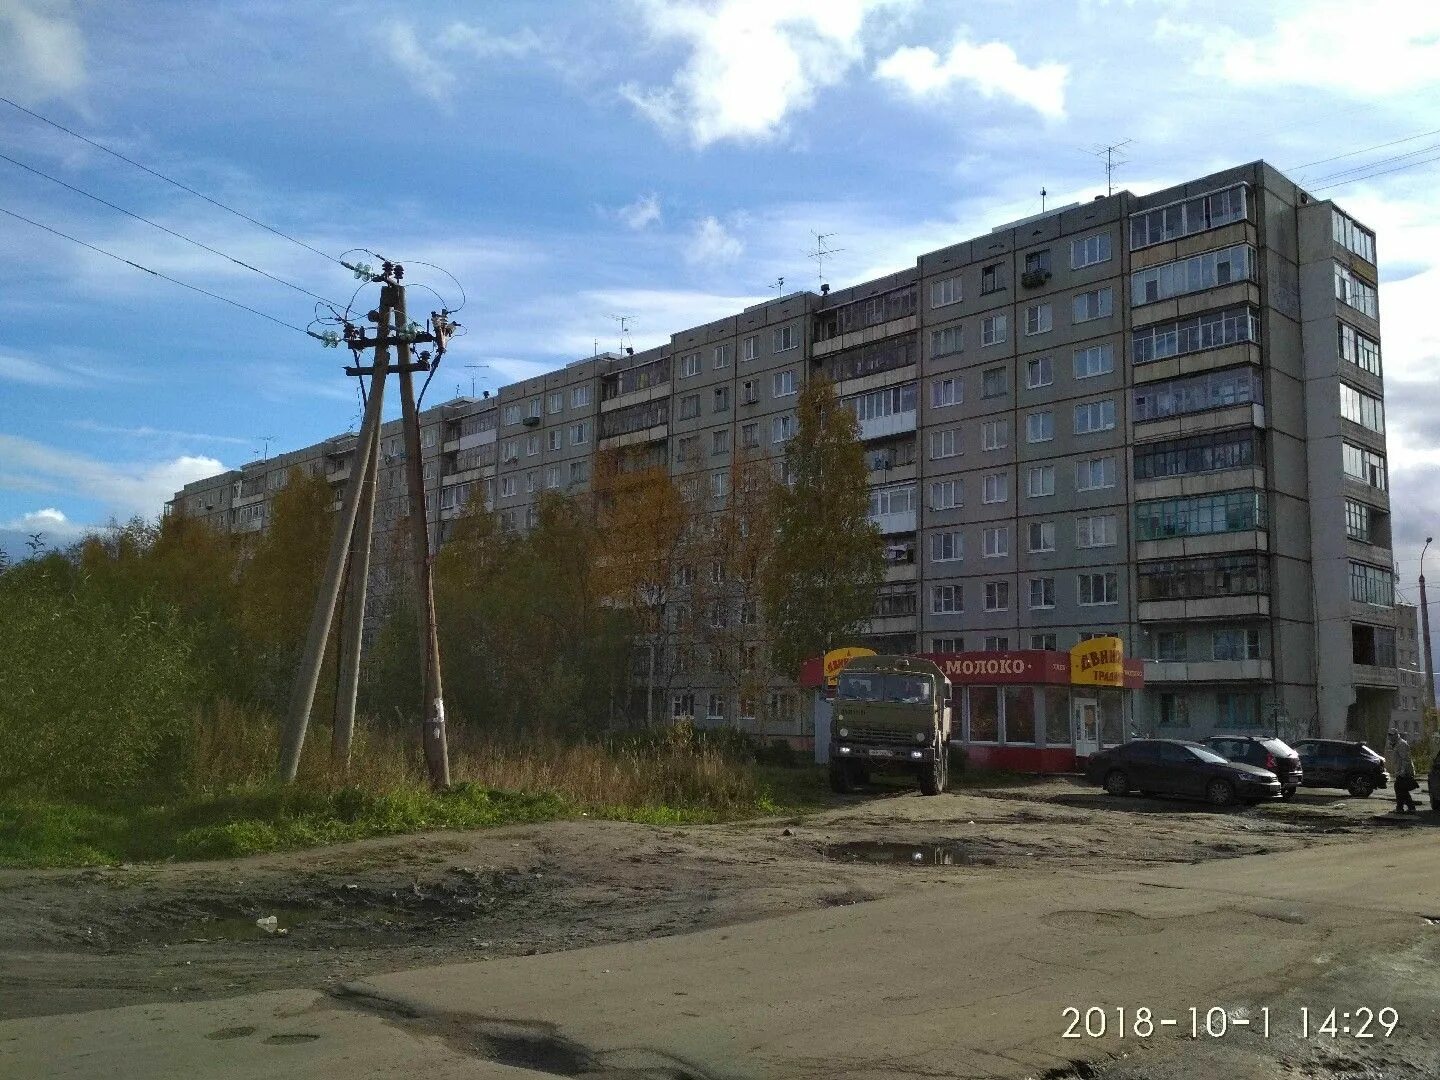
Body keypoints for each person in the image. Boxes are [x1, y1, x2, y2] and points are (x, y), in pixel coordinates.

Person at [1387, 730, 1417, 814]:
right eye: (1389, 735)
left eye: (1392, 735)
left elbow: (1405, 759)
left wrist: (1402, 771)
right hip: (1400, 771)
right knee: (1401, 789)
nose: (1390, 737)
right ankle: (1403, 808)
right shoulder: (1396, 744)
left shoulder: (1401, 744)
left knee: (1400, 788)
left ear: (1396, 735)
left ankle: (1406, 807)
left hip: (1404, 771)